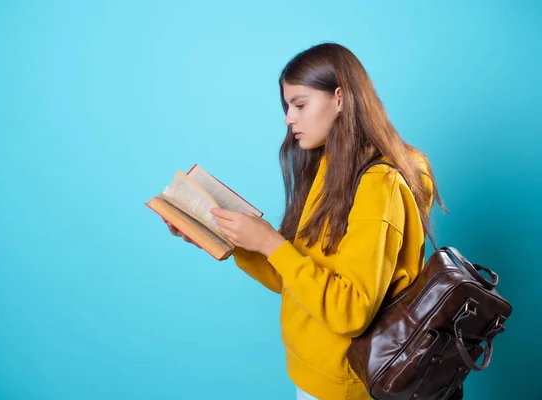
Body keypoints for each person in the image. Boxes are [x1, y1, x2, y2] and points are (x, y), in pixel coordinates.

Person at [163, 42, 457, 400]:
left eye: (299, 105)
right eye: (287, 106)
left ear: (340, 98)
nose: (289, 118)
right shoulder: (328, 165)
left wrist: (271, 243)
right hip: (313, 377)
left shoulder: (379, 184)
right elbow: (296, 278)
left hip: (347, 388)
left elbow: (350, 312)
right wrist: (226, 238)